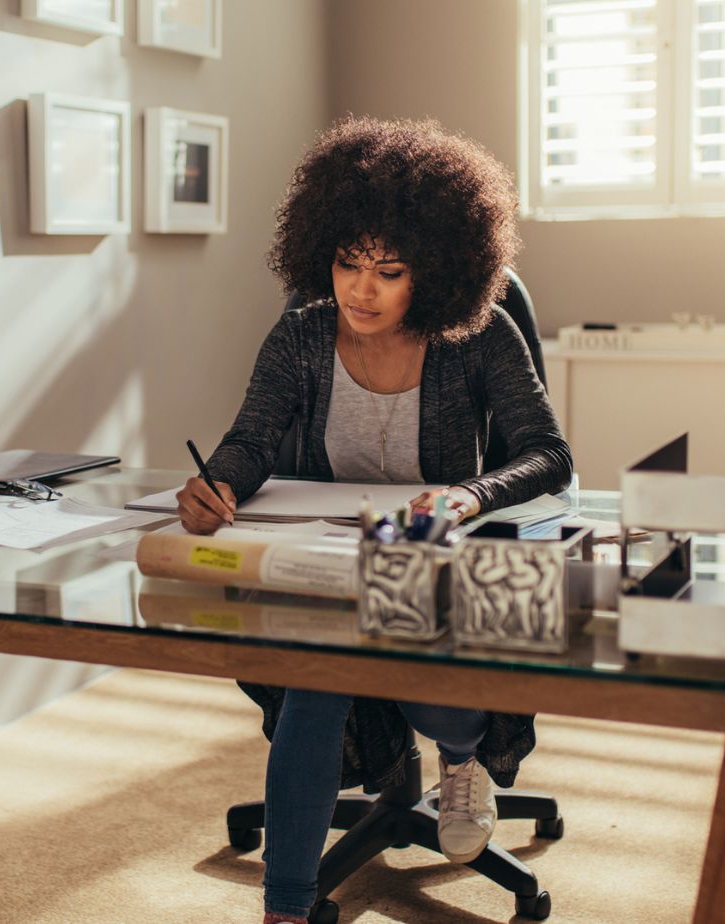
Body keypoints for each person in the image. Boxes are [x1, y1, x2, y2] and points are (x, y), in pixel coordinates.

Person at [173, 116, 574, 924]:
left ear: (434, 271)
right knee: (319, 678)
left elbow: (546, 453)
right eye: (348, 264)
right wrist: (215, 484)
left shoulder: (478, 335)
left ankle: (456, 761)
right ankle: (287, 907)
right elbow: (251, 441)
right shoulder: (302, 334)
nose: (361, 289)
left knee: (430, 693)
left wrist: (468, 495)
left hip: (438, 559)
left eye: (388, 272)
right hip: (334, 559)